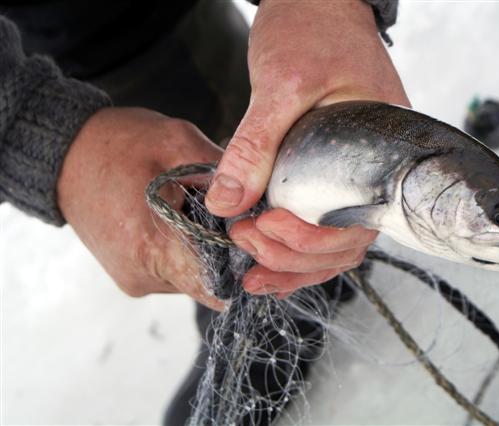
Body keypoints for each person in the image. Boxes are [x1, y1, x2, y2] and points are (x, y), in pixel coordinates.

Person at [0, 0, 409, 423]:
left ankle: (296, 285)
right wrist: (28, 131)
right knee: (216, 221)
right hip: (57, 47)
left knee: (252, 147)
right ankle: (272, 283)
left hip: (175, 25)